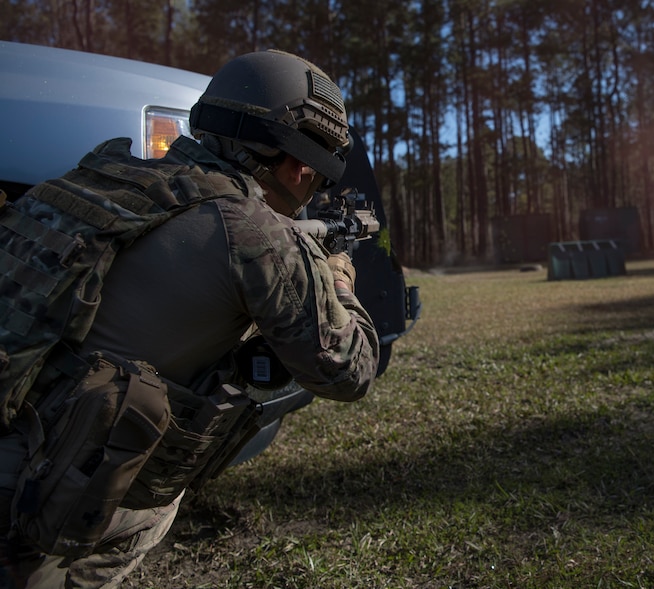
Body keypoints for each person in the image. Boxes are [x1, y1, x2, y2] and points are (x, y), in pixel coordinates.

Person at [0, 49, 379, 588]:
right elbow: (350, 371)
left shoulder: (105, 175)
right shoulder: (259, 235)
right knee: (157, 501)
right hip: (28, 490)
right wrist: (338, 276)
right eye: (318, 177)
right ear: (299, 163)